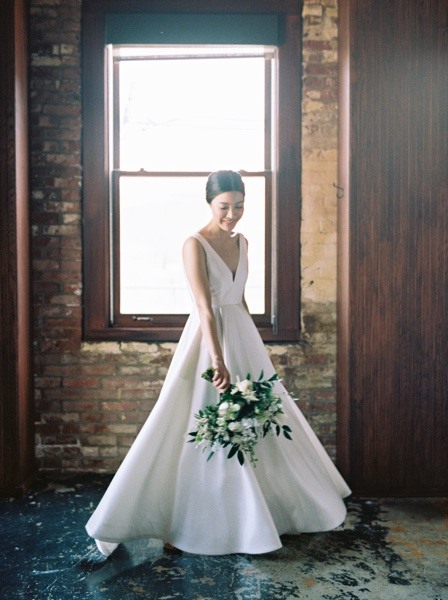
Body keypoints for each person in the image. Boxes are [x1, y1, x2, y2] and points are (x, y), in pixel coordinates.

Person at [86, 170, 351, 556]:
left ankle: (263, 515)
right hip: (208, 339)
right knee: (193, 421)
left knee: (258, 420)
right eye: (224, 206)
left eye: (239, 206)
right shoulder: (194, 244)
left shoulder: (243, 242)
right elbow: (204, 308)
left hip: (242, 335)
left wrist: (253, 348)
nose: (232, 214)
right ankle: (182, 520)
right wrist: (217, 359)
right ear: (209, 203)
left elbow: (239, 301)